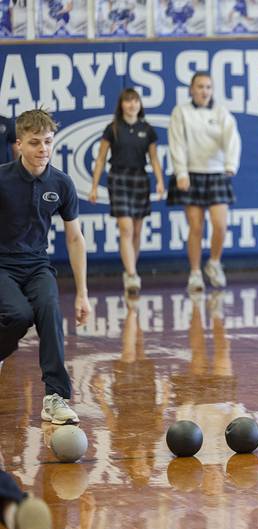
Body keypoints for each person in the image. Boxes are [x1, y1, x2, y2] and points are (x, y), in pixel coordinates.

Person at [0, 108, 91, 424]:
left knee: (50, 310)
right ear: (19, 144)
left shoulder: (62, 184)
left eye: (48, 142)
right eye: (35, 142)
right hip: (2, 265)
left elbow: (75, 239)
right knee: (18, 314)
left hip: (37, 265)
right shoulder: (2, 179)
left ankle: (55, 397)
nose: (43, 149)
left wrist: (82, 293)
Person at [168, 71, 241, 292]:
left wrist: (230, 164)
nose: (204, 91)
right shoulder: (181, 112)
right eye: (200, 87)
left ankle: (214, 263)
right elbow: (177, 143)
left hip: (217, 173)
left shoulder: (221, 113)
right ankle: (195, 273)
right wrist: (181, 172)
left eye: (208, 87)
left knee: (220, 225)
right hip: (191, 174)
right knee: (196, 228)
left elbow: (232, 139)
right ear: (191, 89)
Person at [89, 88, 165, 294]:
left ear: (140, 104)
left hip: (140, 179)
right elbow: (101, 159)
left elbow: (155, 159)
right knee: (126, 228)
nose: (132, 105)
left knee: (137, 231)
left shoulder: (147, 129)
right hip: (118, 178)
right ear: (121, 105)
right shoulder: (112, 128)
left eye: (135, 101)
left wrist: (160, 181)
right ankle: (132, 275)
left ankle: (130, 269)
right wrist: (94, 186)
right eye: (128, 101)